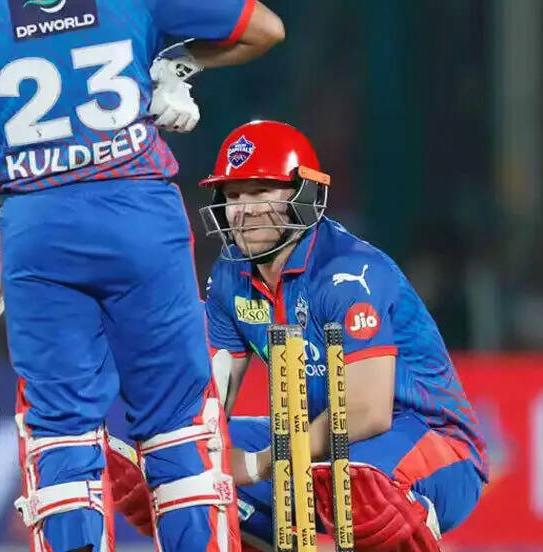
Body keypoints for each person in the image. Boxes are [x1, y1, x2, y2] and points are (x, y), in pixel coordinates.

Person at [0, 0, 286, 552]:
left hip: (35, 227)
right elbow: (264, 28)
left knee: (61, 432)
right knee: (178, 425)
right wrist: (175, 63)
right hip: (139, 218)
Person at [109, 121, 486, 552]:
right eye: (233, 195)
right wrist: (184, 458)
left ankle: (413, 519)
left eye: (260, 192)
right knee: (170, 467)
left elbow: (367, 412)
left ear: (303, 195)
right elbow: (210, 402)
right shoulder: (231, 276)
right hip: (317, 445)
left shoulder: (349, 272)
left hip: (434, 445)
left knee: (360, 486)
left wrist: (259, 464)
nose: (245, 210)